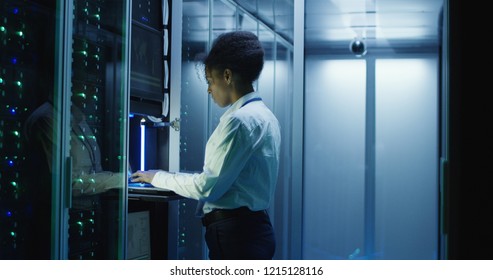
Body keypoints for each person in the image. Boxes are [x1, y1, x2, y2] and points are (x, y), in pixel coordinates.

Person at [131, 30, 281, 260]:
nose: (209, 89)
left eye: (211, 80)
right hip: (254, 230)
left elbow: (207, 188)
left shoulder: (239, 121)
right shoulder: (266, 116)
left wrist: (157, 177)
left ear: (228, 76)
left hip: (235, 237)